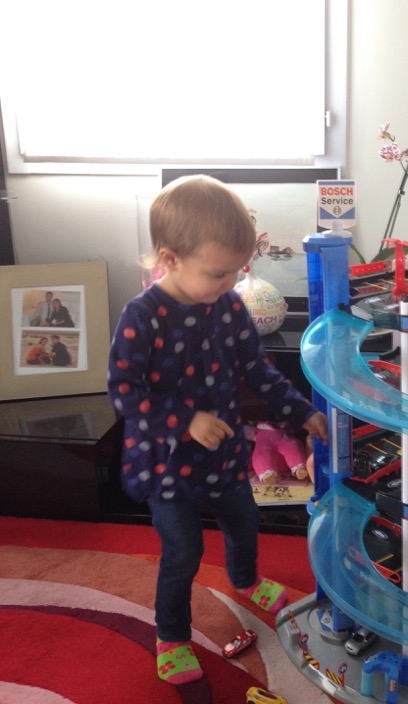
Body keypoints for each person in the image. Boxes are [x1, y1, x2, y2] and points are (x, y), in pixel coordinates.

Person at [107, 175, 328, 687]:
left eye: (236, 271)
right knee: (183, 551)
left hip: (223, 454)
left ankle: (245, 579)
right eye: (217, 273)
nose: (229, 283)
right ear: (170, 259)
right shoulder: (143, 316)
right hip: (167, 463)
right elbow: (124, 392)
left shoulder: (228, 305)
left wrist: (299, 411)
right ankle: (171, 635)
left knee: (245, 521)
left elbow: (258, 369)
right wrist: (186, 420)